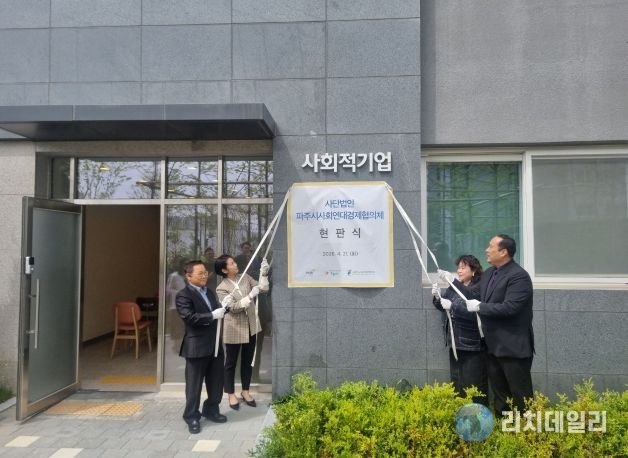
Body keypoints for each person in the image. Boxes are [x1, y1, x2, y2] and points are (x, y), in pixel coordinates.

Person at [439, 234, 534, 415]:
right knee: (500, 394)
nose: (486, 250)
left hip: (513, 346)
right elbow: (472, 294)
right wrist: (452, 281)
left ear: (503, 252)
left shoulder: (518, 276)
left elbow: (511, 307)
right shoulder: (490, 273)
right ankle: (503, 423)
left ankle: (526, 428)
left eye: (491, 246)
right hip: (491, 345)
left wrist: (481, 307)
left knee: (520, 394)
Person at [176, 260, 228, 434]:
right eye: (200, 273)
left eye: (205, 272)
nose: (205, 275)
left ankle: (211, 410)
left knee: (216, 382)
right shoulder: (183, 295)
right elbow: (190, 318)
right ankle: (191, 416)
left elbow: (218, 311)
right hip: (196, 347)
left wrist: (225, 306)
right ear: (188, 276)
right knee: (194, 385)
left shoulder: (209, 292)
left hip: (215, 345)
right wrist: (212, 315)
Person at [215, 254, 269, 410]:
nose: (235, 264)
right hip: (234, 328)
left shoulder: (245, 277)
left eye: (234, 262)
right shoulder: (222, 288)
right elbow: (233, 308)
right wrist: (250, 295)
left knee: (248, 361)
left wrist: (264, 274)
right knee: (230, 363)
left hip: (251, 326)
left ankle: (245, 391)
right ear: (224, 270)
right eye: (231, 263)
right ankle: (231, 393)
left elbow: (263, 288)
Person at [432, 254, 488, 405]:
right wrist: (437, 298)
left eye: (463, 267)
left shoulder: (479, 287)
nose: (459, 271)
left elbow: (475, 311)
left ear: (474, 270)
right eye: (458, 268)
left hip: (472, 344)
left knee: (473, 382)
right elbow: (444, 307)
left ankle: (479, 413)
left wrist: (452, 305)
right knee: (457, 380)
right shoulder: (454, 286)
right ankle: (461, 411)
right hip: (455, 342)